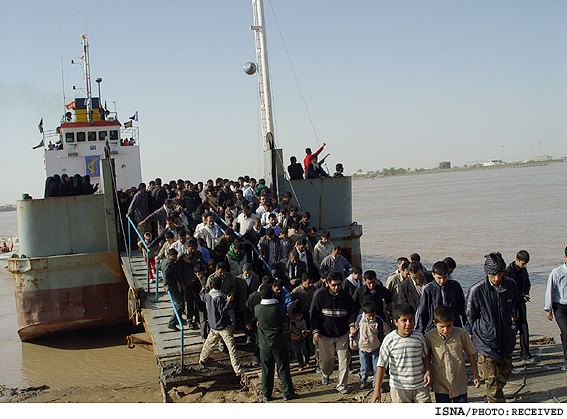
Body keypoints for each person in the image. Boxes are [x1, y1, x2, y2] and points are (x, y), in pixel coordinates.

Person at [466, 252, 518, 403]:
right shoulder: (477, 290)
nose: (496, 278)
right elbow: (470, 315)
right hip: (486, 341)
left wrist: (513, 324)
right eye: (493, 275)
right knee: (492, 378)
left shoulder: (510, 286)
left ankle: (494, 397)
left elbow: (514, 306)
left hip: (506, 338)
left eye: (500, 274)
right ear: (487, 273)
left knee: (505, 373)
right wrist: (473, 334)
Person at [371, 303, 432, 403]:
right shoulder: (389, 340)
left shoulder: (419, 336)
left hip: (420, 385)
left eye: (411, 320)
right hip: (399, 388)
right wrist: (377, 390)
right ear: (395, 322)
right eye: (404, 320)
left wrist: (428, 371)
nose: (408, 323)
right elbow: (381, 365)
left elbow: (425, 355)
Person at [310, 272, 357, 394]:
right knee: (327, 361)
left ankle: (342, 385)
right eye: (334, 285)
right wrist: (315, 331)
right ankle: (326, 373)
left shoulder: (346, 297)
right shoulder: (320, 296)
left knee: (344, 361)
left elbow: (352, 312)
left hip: (342, 334)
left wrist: (352, 325)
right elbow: (314, 315)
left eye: (339, 285)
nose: (337, 288)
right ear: (328, 283)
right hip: (325, 335)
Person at [426, 306, 480, 403]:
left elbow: (471, 353)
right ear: (435, 323)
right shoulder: (430, 337)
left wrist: (475, 374)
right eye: (441, 327)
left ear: (453, 322)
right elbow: (426, 356)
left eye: (449, 326)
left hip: (459, 382)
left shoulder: (461, 334)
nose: (445, 330)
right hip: (440, 383)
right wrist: (428, 372)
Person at [255, 284, 297, 402]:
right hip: (278, 342)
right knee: (283, 368)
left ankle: (267, 394)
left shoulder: (257, 309)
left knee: (266, 370)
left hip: (264, 345)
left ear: (261, 296)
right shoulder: (278, 308)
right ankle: (287, 393)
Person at [198, 276, 242, 376]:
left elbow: (202, 296)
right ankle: (236, 368)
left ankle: (202, 359)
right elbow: (223, 310)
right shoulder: (220, 297)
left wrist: (202, 291)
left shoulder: (208, 296)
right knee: (231, 347)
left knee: (209, 344)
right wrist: (229, 301)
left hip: (213, 325)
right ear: (221, 285)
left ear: (212, 285)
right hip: (223, 326)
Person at [415, 261, 468, 334]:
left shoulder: (455, 286)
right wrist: (419, 332)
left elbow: (463, 309)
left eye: (444, 277)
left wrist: (468, 329)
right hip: (433, 329)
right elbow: (422, 312)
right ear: (433, 275)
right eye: (439, 278)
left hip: (453, 327)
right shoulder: (428, 289)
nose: (442, 281)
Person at [351, 301, 389, 390]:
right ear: (365, 313)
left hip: (375, 347)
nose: (371, 317)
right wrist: (352, 340)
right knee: (364, 367)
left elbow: (386, 330)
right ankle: (362, 381)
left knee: (377, 368)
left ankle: (376, 385)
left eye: (373, 315)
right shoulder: (359, 319)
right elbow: (353, 331)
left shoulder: (378, 320)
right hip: (363, 348)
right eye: (369, 316)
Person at [504, 250, 534, 362]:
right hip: (512, 305)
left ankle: (525, 353)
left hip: (521, 303)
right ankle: (509, 356)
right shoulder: (508, 272)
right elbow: (509, 290)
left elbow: (528, 284)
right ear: (517, 260)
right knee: (513, 330)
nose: (524, 265)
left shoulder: (523, 270)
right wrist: (521, 295)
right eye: (523, 263)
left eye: (526, 264)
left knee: (524, 328)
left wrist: (526, 293)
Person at [544, 246, 567, 371]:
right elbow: (549, 290)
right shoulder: (557, 272)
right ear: (565, 257)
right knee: (566, 331)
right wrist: (548, 309)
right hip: (560, 307)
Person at [161, 248, 184, 331]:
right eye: (174, 256)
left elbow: (158, 267)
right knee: (179, 304)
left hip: (172, 284)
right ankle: (172, 322)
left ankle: (178, 319)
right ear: (170, 256)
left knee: (179, 303)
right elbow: (166, 273)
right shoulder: (169, 263)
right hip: (171, 285)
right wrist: (166, 285)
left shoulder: (164, 261)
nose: (176, 258)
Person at [289, 307, 310, 371]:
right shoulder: (292, 322)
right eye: (296, 316)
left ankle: (306, 361)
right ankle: (300, 364)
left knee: (304, 351)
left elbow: (305, 329)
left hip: (301, 338)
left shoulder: (303, 321)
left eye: (299, 315)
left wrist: (304, 332)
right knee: (297, 353)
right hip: (294, 339)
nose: (298, 317)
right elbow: (292, 330)